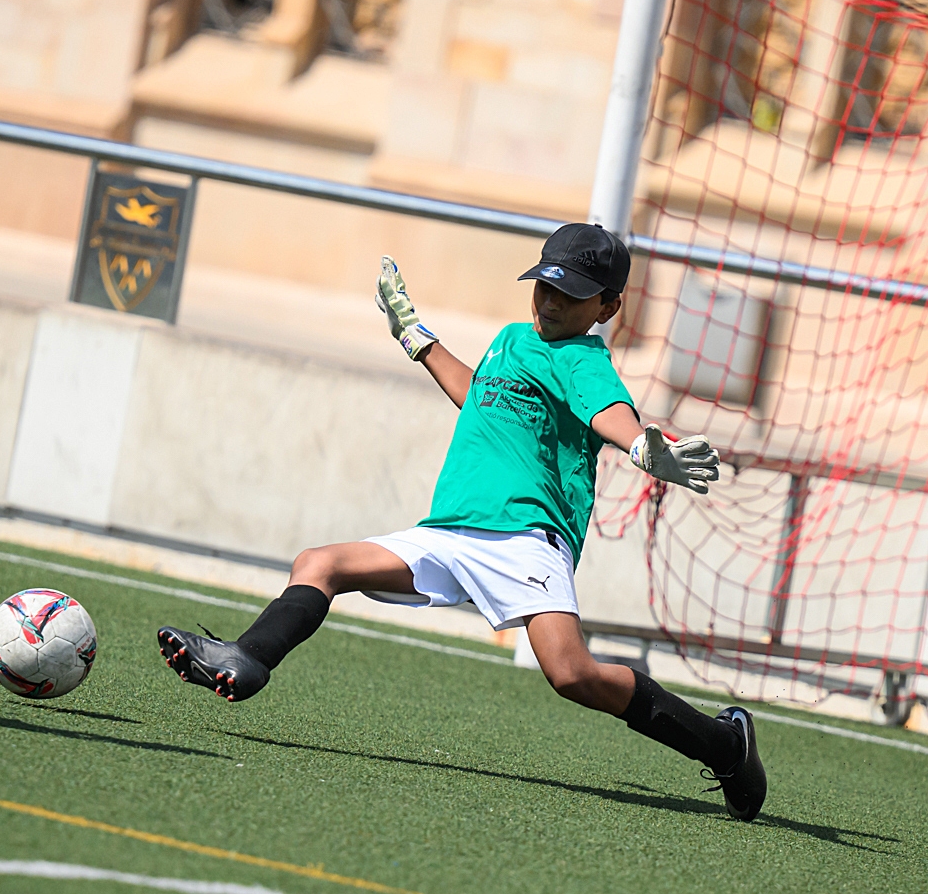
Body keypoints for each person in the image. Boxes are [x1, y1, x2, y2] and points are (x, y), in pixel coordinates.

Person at [156, 223, 767, 821]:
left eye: (571, 294)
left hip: (526, 536)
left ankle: (723, 746)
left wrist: (637, 445)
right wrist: (415, 337)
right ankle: (248, 657)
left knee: (572, 675)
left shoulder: (582, 360)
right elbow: (479, 392)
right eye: (544, 285)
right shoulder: (511, 338)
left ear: (607, 307)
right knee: (320, 563)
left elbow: (610, 411)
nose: (550, 301)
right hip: (448, 532)